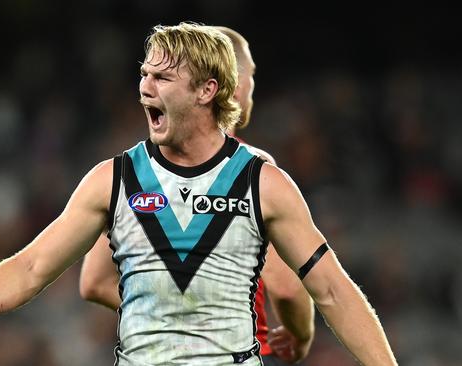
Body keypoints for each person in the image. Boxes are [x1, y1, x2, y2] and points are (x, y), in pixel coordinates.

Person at [0, 22, 398, 365]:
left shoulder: (262, 183)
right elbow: (32, 268)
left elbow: (331, 289)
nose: (144, 87)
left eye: (162, 77)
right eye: (144, 73)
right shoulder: (112, 180)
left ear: (206, 91)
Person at [78, 25, 315, 365]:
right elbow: (288, 288)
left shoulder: (138, 172)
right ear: (227, 84)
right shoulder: (253, 170)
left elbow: (93, 281)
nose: (252, 88)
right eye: (251, 74)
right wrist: (301, 335)